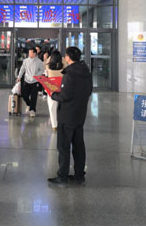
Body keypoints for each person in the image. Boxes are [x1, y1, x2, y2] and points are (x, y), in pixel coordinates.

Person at [48, 46, 92, 187]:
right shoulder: (86, 71)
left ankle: (62, 177)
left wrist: (53, 94)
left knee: (63, 146)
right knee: (79, 146)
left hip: (67, 115)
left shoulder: (70, 73)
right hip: (80, 114)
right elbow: (88, 91)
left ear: (67, 57)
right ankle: (79, 175)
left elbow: (65, 96)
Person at [16, 47, 45, 117]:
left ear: (34, 54)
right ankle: (29, 104)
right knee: (24, 94)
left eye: (30, 52)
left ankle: (32, 110)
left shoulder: (39, 62)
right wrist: (19, 77)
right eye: (29, 52)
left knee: (34, 97)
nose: (29, 54)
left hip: (35, 82)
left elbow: (42, 70)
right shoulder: (26, 61)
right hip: (27, 81)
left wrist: (36, 75)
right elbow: (22, 69)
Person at [44, 50, 67, 131]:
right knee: (63, 106)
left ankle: (54, 125)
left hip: (51, 87)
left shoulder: (49, 62)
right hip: (62, 86)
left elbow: (45, 69)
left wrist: (47, 58)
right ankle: (62, 122)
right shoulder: (63, 61)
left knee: (52, 106)